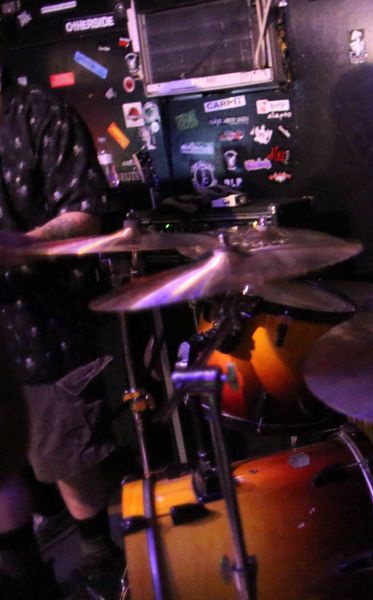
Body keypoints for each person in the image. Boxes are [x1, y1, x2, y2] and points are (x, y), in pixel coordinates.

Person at [0, 63, 124, 596]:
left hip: (42, 327)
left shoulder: (42, 115)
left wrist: (22, 246)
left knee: (67, 458)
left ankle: (101, 561)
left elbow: (85, 216)